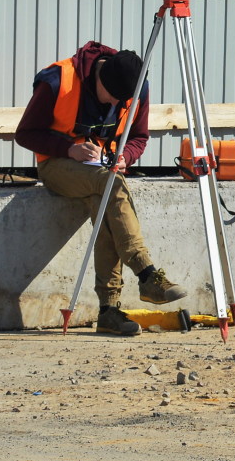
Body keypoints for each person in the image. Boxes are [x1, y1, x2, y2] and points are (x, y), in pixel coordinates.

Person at [15, 42, 186, 336]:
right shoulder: (58, 80)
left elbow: (139, 138)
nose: (116, 105)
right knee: (110, 184)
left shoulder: (136, 88)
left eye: (123, 100)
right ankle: (146, 271)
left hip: (103, 171)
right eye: (113, 98)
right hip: (57, 166)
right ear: (100, 78)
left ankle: (108, 310)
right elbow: (25, 134)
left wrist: (126, 156)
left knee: (103, 198)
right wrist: (69, 149)